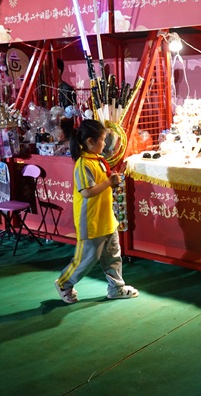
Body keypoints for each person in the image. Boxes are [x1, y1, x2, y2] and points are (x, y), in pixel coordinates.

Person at [55, 119, 139, 303]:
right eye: (102, 140)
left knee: (113, 256)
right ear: (90, 142)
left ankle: (116, 287)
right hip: (91, 222)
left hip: (106, 218)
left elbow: (101, 186)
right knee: (87, 258)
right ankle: (64, 283)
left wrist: (112, 181)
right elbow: (87, 192)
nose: (105, 144)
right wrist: (109, 182)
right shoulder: (83, 164)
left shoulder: (97, 160)